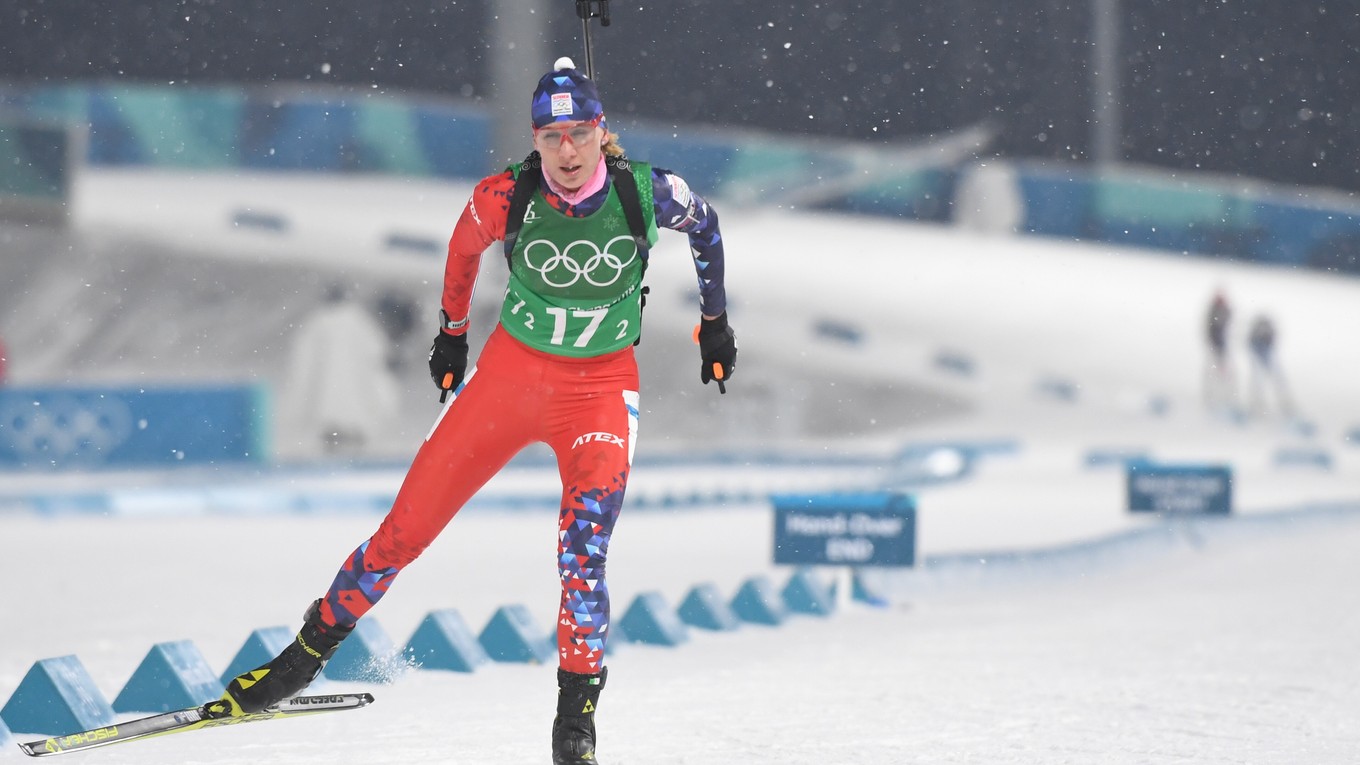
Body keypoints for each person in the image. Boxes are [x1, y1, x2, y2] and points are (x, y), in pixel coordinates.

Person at [210, 57, 737, 765]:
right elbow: (461, 252)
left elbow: (707, 229)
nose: (568, 152)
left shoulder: (650, 191)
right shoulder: (504, 196)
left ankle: (573, 727)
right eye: (552, 138)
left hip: (600, 392)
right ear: (536, 141)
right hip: (508, 382)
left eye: (580, 133)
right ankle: (299, 660)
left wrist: (716, 321)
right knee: (402, 533)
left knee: (583, 555)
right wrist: (451, 335)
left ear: (601, 132)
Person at [279, 283, 401, 455]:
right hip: (358, 417)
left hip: (326, 414)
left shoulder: (316, 324)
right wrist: (383, 403)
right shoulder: (362, 324)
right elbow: (378, 363)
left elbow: (303, 367)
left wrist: (297, 407)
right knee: (353, 457)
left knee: (333, 456)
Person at [1246, 314, 1294, 417]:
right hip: (1258, 354)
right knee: (1258, 380)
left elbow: (1271, 344)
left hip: (1266, 354)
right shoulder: (1255, 335)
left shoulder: (1268, 333)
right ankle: (1257, 405)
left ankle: (1286, 404)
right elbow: (1252, 346)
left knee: (1278, 378)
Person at [1202, 289, 1237, 412]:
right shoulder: (1214, 311)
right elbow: (1211, 329)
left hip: (1222, 343)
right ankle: (1213, 394)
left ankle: (1226, 394)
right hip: (1216, 343)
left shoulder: (1223, 310)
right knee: (1213, 370)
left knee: (1224, 370)